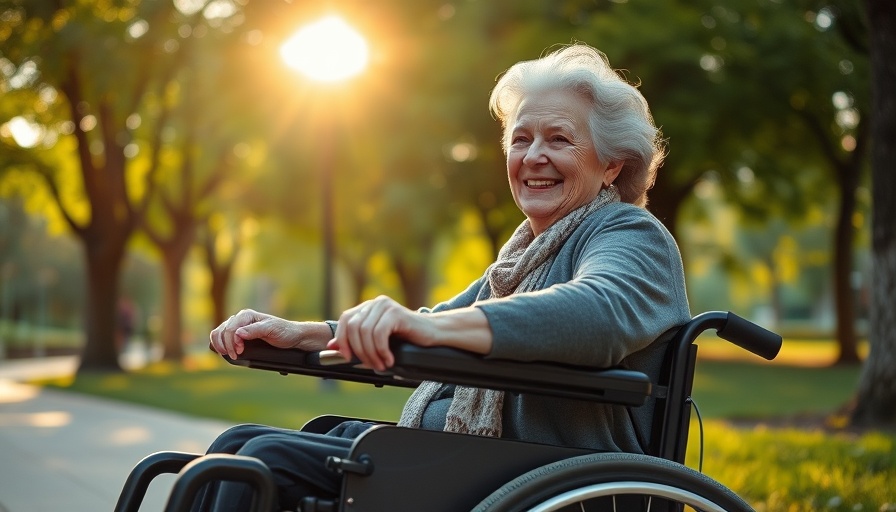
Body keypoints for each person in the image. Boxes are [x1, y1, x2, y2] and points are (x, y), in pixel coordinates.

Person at [198, 42, 690, 511]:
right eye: (521, 139)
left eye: (558, 139)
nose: (533, 155)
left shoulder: (629, 232)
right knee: (237, 445)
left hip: (550, 482)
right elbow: (435, 320)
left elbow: (596, 315)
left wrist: (429, 330)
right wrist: (305, 334)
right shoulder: (525, 257)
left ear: (612, 165)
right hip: (485, 464)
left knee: (264, 461)